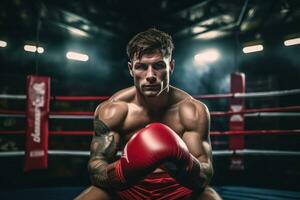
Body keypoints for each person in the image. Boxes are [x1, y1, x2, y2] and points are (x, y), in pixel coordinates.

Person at [75, 28, 222, 200]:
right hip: (128, 188)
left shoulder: (192, 111)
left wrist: (184, 162)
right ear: (131, 69)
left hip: (179, 188)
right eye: (141, 67)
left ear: (171, 67)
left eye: (159, 66)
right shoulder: (113, 110)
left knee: (210, 197)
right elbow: (95, 167)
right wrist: (124, 171)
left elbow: (206, 172)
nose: (150, 75)